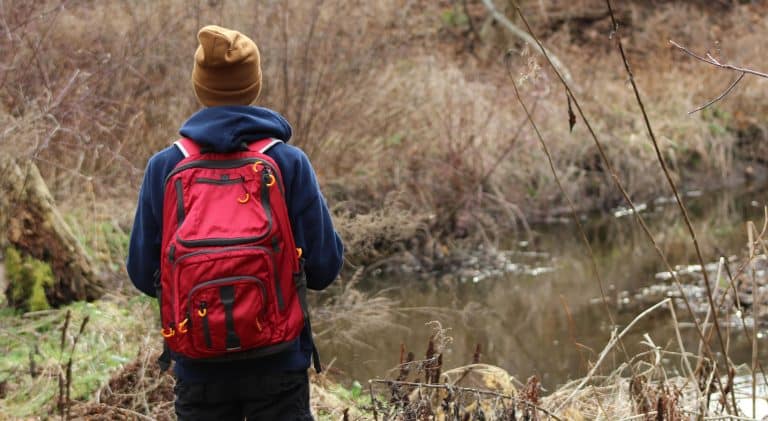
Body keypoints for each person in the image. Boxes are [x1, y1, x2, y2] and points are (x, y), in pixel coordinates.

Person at [126, 25, 344, 420]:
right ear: (254, 86)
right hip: (279, 364)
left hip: (198, 367)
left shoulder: (165, 167)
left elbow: (143, 274)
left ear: (199, 87)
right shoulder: (288, 163)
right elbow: (325, 269)